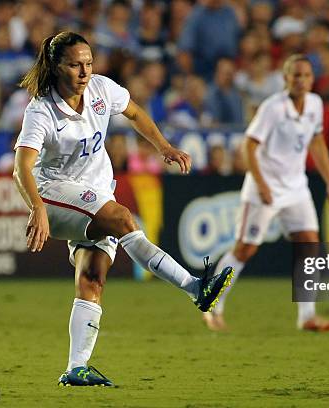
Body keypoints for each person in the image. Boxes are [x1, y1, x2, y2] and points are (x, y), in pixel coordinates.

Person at [13, 32, 234, 387]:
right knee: (121, 218)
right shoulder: (42, 110)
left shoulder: (101, 89)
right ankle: (196, 288)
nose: (84, 71)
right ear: (56, 67)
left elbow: (134, 112)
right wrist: (37, 207)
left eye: (88, 63)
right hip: (52, 194)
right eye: (74, 64)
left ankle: (76, 368)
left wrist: (163, 145)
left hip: (95, 192)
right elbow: (21, 166)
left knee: (93, 276)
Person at [203, 54, 329, 332]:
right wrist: (263, 185)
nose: (301, 80)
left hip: (296, 187)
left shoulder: (315, 105)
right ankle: (212, 304)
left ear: (312, 79)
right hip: (264, 187)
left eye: (306, 75)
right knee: (244, 249)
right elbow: (249, 146)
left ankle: (307, 316)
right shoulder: (273, 108)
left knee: (309, 242)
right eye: (295, 75)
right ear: (285, 79)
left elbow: (317, 141)